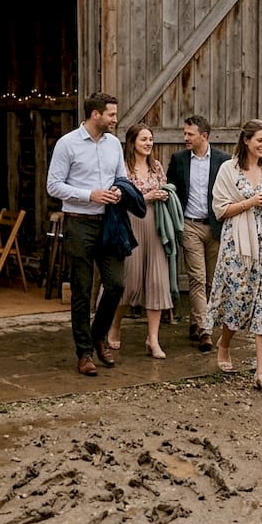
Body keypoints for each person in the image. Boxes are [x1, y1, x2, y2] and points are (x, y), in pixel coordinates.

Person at [46, 92, 127, 377]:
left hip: (110, 223)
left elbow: (122, 177)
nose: (115, 119)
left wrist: (119, 189)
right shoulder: (67, 144)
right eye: (111, 114)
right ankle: (84, 353)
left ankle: (97, 335)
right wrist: (88, 194)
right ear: (96, 115)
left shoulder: (114, 144)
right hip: (78, 223)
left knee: (116, 283)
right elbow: (53, 186)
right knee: (81, 290)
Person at [207, 119, 262, 393]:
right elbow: (219, 209)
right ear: (247, 140)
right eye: (259, 140)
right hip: (237, 243)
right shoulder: (229, 169)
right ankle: (224, 343)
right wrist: (250, 202)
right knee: (237, 300)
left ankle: (261, 373)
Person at [167, 115, 232, 352]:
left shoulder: (224, 161)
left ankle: (196, 322)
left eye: (190, 134)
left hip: (216, 226)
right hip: (190, 225)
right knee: (197, 278)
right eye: (185, 133)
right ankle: (206, 331)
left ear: (204, 136)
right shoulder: (178, 159)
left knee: (212, 282)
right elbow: (171, 189)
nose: (185, 137)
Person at [110, 124, 174, 359]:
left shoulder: (156, 166)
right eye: (144, 139)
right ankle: (114, 325)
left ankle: (153, 339)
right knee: (129, 281)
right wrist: (147, 197)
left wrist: (165, 194)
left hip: (155, 225)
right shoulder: (123, 168)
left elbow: (164, 186)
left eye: (151, 139)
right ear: (132, 142)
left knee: (157, 281)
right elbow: (119, 198)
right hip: (132, 225)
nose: (148, 143)